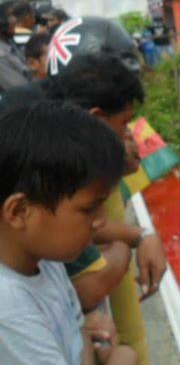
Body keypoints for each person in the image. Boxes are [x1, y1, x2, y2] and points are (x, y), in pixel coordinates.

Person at [0, 101, 137, 364]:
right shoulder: (9, 307)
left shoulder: (43, 259)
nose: (100, 222)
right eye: (89, 209)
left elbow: (78, 331)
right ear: (19, 212)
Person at [0, 1, 31, 92]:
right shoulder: (1, 56)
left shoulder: (9, 42)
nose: (14, 19)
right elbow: (22, 90)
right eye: (9, 17)